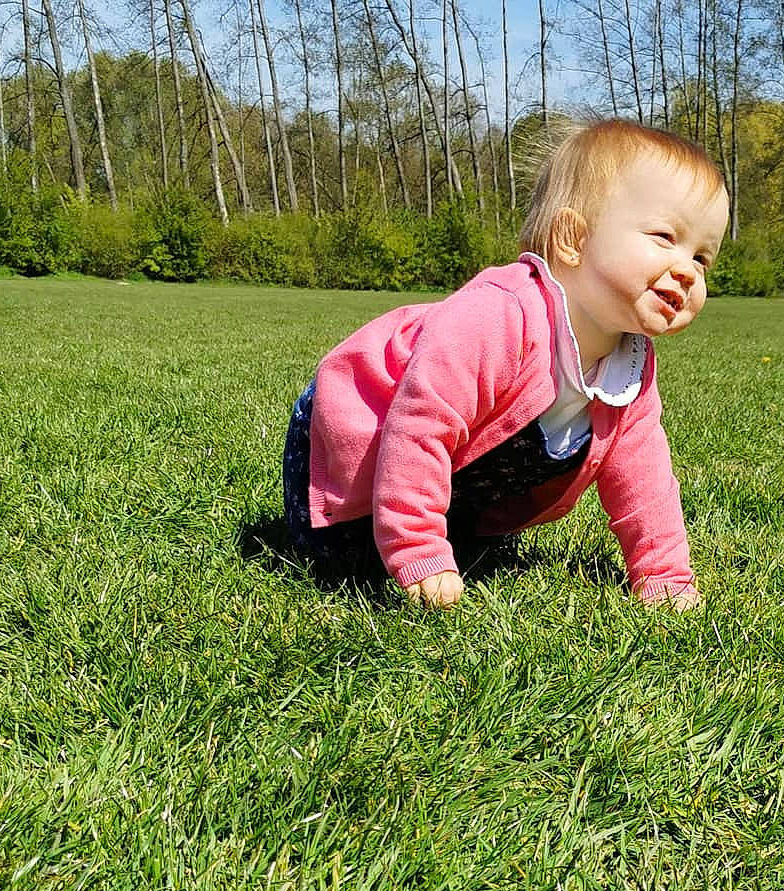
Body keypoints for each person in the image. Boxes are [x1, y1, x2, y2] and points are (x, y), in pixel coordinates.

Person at [282, 118, 729, 610]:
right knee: (340, 560)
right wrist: (417, 548)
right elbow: (419, 428)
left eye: (704, 258)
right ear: (573, 241)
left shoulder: (629, 365)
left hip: (459, 457)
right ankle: (398, 526)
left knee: (471, 549)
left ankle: (443, 524)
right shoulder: (497, 317)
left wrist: (663, 574)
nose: (688, 269)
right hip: (360, 428)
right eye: (665, 236)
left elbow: (644, 475)